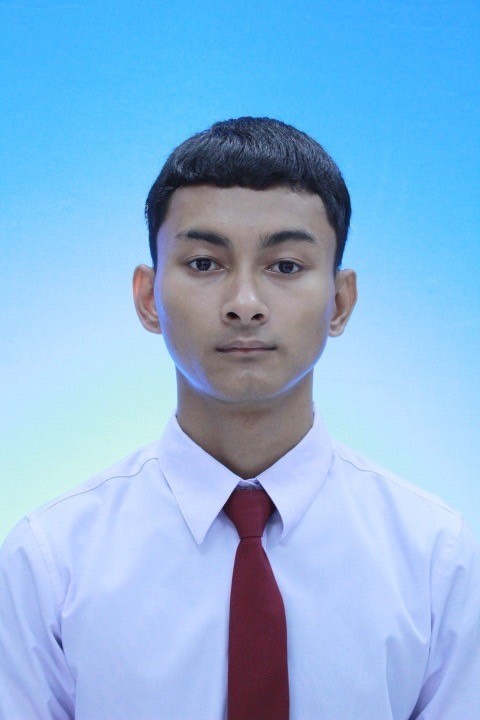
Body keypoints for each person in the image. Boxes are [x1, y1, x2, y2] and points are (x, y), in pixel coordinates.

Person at [1, 117, 479, 720]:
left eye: (286, 266)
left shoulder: (437, 560)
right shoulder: (50, 563)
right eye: (205, 263)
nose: (245, 305)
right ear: (148, 298)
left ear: (340, 301)